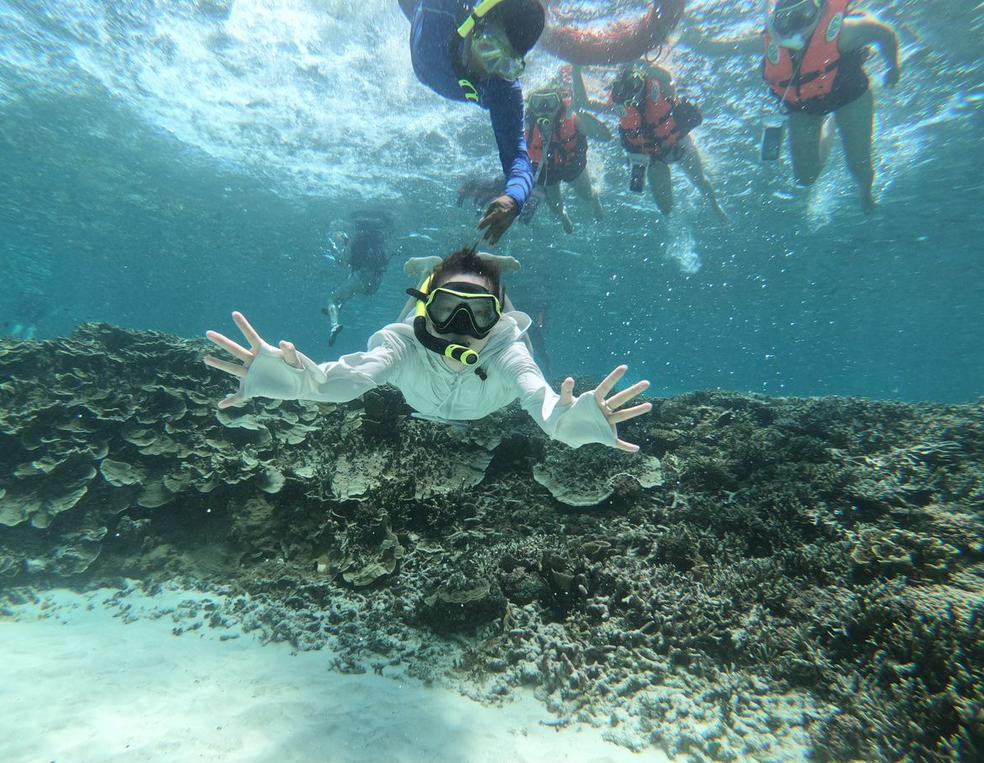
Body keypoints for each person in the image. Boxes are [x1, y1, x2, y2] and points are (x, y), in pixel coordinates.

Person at [205, 248, 652, 452]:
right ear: (428, 311)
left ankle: (480, 277)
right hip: (417, 330)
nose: (459, 328)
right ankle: (432, 271)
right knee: (408, 321)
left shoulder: (505, 349)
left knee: (526, 342)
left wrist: (568, 421)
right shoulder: (403, 343)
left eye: (476, 313)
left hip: (493, 352)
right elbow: (351, 377)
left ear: (494, 318)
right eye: (445, 309)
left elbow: (540, 398)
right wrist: (303, 379)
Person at [687, 0, 900, 210]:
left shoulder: (845, 32)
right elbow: (714, 49)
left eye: (803, 13)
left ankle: (866, 192)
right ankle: (832, 123)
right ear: (773, 21)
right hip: (805, 106)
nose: (795, 27)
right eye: (784, 19)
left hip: (849, 93)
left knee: (859, 167)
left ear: (819, 8)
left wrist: (893, 67)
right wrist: (679, 32)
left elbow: (884, 33)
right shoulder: (770, 42)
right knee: (805, 178)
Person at [399, 0, 546, 244]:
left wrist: (514, 199)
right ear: (476, 23)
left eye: (506, 65)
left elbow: (519, 161)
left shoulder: (501, 88)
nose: (488, 72)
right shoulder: (440, 9)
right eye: (488, 50)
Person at [574, 63, 728, 221]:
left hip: (679, 145)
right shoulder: (618, 107)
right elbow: (583, 102)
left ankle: (714, 205)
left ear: (643, 79)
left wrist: (638, 59)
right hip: (653, 158)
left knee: (699, 181)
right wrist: (576, 68)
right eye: (624, 88)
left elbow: (666, 76)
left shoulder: (662, 89)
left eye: (635, 84)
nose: (631, 92)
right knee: (665, 208)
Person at [524, 83, 610, 233]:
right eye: (537, 103)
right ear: (531, 107)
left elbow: (605, 136)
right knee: (555, 208)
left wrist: (583, 115)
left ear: (559, 104)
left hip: (571, 164)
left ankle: (595, 198)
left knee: (586, 195)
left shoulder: (573, 118)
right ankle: (563, 216)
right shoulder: (526, 125)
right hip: (547, 169)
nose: (544, 109)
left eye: (550, 102)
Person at [323, 211, 393, 346]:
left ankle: (334, 325)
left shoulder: (356, 238)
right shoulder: (376, 239)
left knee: (332, 298)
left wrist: (333, 247)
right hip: (376, 280)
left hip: (361, 277)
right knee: (348, 291)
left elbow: (342, 261)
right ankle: (336, 309)